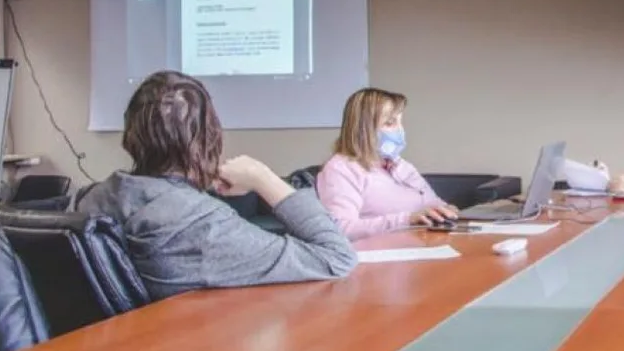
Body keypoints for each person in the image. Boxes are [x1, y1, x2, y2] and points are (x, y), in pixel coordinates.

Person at [76, 71, 356, 300]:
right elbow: (336, 257)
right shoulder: (199, 223)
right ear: (209, 137)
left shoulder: (95, 197)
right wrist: (263, 177)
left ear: (132, 134)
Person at [316, 88, 459, 240]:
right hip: (376, 257)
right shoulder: (341, 168)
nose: (400, 130)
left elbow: (433, 203)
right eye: (390, 123)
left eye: (400, 122)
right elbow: (342, 229)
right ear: (364, 129)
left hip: (418, 248)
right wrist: (406, 220)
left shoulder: (400, 165)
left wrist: (446, 210)